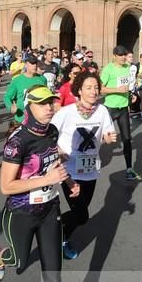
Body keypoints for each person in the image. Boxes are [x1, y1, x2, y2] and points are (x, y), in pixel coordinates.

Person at [0, 85, 77, 282]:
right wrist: (45, 180)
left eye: (51, 102)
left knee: (53, 277)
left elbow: (53, 159)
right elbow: (6, 186)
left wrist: (68, 181)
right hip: (21, 212)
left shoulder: (52, 131)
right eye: (42, 103)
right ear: (29, 107)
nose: (49, 107)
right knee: (20, 261)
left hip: (50, 210)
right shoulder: (17, 141)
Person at [51, 71, 117, 259]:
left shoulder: (102, 111)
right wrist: (59, 151)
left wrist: (108, 137)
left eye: (96, 87)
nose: (93, 91)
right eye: (88, 87)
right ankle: (52, 229)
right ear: (79, 90)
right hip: (69, 170)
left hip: (90, 170)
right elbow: (49, 136)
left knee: (79, 213)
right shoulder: (66, 113)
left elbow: (107, 133)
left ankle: (62, 235)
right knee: (82, 215)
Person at [100, 45, 141, 180]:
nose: (124, 57)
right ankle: (93, 161)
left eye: (125, 55)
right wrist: (117, 90)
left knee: (127, 139)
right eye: (121, 55)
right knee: (99, 137)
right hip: (110, 108)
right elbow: (100, 89)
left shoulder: (127, 68)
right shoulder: (108, 69)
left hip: (123, 108)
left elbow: (127, 86)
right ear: (114, 56)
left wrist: (130, 95)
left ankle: (129, 168)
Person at [4, 55, 47, 132]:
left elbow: (45, 96)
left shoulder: (42, 79)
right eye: (32, 63)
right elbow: (7, 97)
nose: (35, 66)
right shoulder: (17, 80)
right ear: (26, 64)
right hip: (22, 118)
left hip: (38, 119)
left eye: (36, 63)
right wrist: (10, 107)